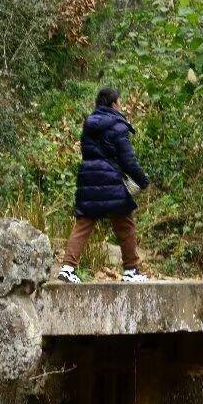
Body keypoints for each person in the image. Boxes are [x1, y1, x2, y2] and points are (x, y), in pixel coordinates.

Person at [57, 87, 150, 283]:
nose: (121, 105)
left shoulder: (89, 124)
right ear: (114, 104)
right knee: (125, 225)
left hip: (89, 179)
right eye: (120, 102)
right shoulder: (118, 125)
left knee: (83, 224)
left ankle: (67, 268)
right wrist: (142, 181)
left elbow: (88, 153)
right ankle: (131, 270)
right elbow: (128, 160)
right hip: (111, 180)